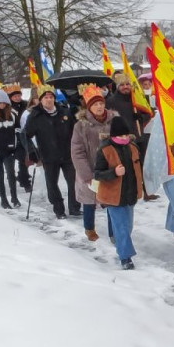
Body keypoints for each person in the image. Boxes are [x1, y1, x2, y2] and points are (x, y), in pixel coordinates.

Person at [93, 116, 144, 270]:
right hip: (113, 196)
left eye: (126, 135)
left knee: (127, 227)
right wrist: (114, 172)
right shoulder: (105, 150)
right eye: (121, 136)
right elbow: (97, 174)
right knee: (121, 227)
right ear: (113, 135)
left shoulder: (133, 147)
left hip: (130, 194)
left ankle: (121, 242)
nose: (124, 138)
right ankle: (125, 257)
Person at [25, 84, 81, 219]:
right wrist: (32, 151)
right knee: (52, 184)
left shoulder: (64, 111)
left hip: (67, 153)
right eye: (45, 98)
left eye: (51, 97)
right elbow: (26, 135)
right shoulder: (35, 115)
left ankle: (74, 207)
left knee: (73, 181)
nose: (48, 100)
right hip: (48, 155)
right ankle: (59, 209)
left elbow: (75, 130)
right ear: (40, 100)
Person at [71, 85, 119, 242]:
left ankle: (114, 232)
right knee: (89, 201)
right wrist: (87, 175)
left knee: (111, 201)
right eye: (95, 104)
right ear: (89, 107)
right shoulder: (81, 126)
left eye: (101, 103)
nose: (99, 107)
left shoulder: (114, 121)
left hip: (110, 169)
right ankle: (89, 228)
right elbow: (77, 152)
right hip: (90, 169)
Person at [4, 84, 32, 192]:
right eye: (14, 96)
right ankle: (21, 178)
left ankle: (24, 179)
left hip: (25, 134)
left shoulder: (25, 105)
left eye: (18, 95)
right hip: (13, 136)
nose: (17, 98)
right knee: (19, 158)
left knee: (24, 159)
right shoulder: (8, 107)